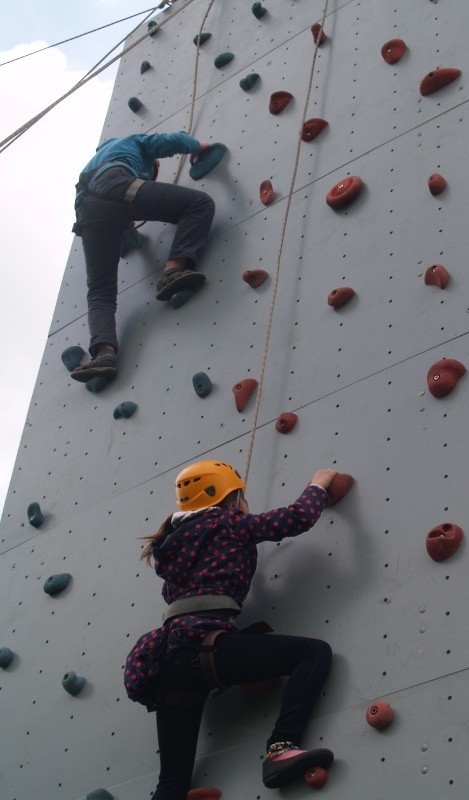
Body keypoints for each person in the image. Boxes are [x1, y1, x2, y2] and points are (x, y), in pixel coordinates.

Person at [124, 460, 338, 798]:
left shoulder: (170, 547)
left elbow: (184, 592)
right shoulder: (229, 523)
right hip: (204, 649)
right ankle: (281, 748)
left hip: (167, 662)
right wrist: (319, 484)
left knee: (171, 785)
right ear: (233, 498)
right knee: (313, 654)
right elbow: (296, 518)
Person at [70, 132, 216, 383]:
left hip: (87, 215)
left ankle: (103, 352)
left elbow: (108, 209)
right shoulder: (130, 143)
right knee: (199, 204)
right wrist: (198, 145)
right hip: (115, 185)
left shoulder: (94, 161)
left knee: (100, 291)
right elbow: (166, 143)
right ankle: (173, 271)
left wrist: (127, 234)